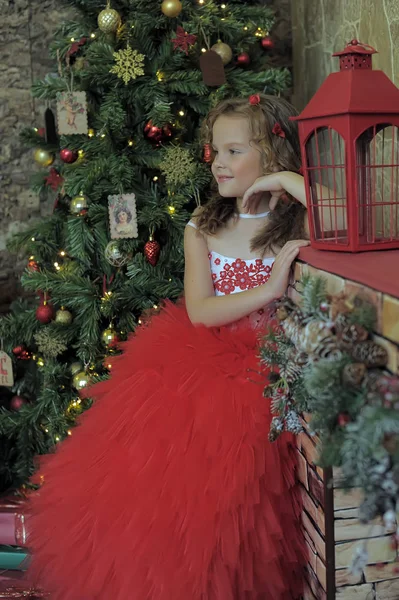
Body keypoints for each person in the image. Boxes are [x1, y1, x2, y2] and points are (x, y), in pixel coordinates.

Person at [26, 93, 310, 600]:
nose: (219, 163)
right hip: (212, 362)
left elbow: (348, 212)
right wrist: (268, 289)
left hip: (276, 364)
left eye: (234, 152)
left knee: (257, 499)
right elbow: (200, 311)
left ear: (273, 155)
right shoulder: (203, 227)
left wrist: (289, 183)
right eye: (214, 152)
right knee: (188, 492)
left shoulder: (297, 219)